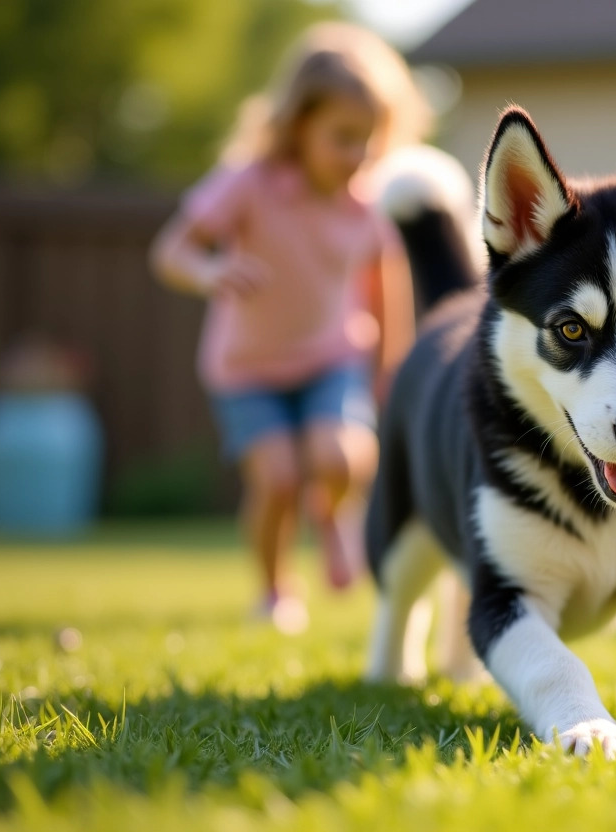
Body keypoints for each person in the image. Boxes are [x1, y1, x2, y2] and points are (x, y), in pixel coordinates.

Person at [151, 22, 424, 631]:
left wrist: (392, 365)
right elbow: (170, 251)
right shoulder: (250, 184)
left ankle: (336, 517)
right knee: (275, 479)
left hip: (330, 356)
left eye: (370, 141)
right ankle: (275, 592)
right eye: (343, 138)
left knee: (339, 456)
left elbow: (385, 282)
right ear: (299, 125)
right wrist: (210, 271)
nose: (358, 156)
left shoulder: (368, 202)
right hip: (247, 367)